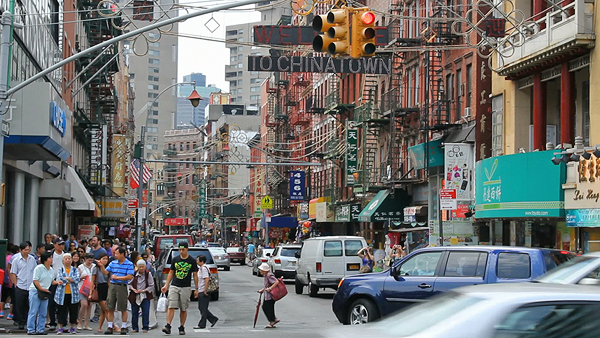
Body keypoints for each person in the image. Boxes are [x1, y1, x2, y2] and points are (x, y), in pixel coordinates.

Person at [160, 241, 198, 335]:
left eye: (183, 249)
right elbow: (171, 272)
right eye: (180, 249)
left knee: (183, 308)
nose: (181, 251)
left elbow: (195, 275)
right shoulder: (175, 259)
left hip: (186, 286)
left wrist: (196, 288)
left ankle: (182, 326)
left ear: (187, 249)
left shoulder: (192, 261)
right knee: (171, 305)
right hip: (174, 285)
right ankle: (168, 325)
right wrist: (166, 285)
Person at [99, 247, 134, 335]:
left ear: (122, 254)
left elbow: (130, 276)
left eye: (117, 253)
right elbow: (105, 272)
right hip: (112, 286)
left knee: (122, 307)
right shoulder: (113, 263)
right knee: (110, 306)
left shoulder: (129, 264)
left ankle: (123, 326)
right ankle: (110, 326)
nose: (115, 255)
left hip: (122, 286)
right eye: (114, 253)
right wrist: (101, 266)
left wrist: (118, 277)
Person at [27, 252, 62, 335]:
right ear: (45, 259)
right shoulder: (39, 268)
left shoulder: (51, 269)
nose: (51, 260)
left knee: (43, 312)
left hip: (45, 292)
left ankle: (40, 329)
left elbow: (51, 281)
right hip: (36, 291)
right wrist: (41, 289)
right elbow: (35, 280)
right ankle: (31, 329)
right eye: (50, 258)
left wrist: (57, 282)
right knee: (33, 311)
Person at [10, 242, 38, 330]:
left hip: (30, 285)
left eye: (28, 250)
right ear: (21, 250)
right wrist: (16, 284)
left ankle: (29, 322)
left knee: (29, 305)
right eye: (25, 250)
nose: (27, 251)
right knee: (19, 305)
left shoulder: (32, 259)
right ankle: (20, 322)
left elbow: (35, 271)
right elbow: (13, 273)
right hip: (20, 285)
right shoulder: (16, 260)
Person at [54, 253, 81, 334]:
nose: (67, 260)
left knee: (73, 311)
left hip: (73, 294)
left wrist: (68, 279)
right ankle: (60, 327)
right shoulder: (60, 270)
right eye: (66, 259)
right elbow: (60, 279)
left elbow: (76, 279)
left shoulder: (75, 269)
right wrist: (69, 280)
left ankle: (72, 327)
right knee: (61, 311)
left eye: (69, 258)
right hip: (62, 294)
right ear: (63, 261)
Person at [128, 260, 154, 333]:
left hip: (145, 295)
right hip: (135, 295)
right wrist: (133, 289)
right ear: (137, 267)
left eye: (143, 267)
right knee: (134, 312)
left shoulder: (148, 274)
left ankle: (145, 327)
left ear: (145, 267)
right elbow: (129, 284)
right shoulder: (134, 274)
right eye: (140, 267)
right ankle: (135, 328)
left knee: (145, 311)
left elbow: (151, 285)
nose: (141, 268)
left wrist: (143, 290)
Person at [193, 255, 218, 330]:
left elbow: (206, 279)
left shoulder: (203, 268)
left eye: (198, 260)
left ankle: (202, 324)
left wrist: (205, 289)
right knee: (202, 308)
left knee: (203, 308)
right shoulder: (202, 268)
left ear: (202, 261)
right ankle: (213, 319)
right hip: (201, 289)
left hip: (203, 290)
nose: (196, 261)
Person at [48, 237, 66, 331]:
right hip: (52, 280)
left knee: (62, 302)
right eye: (59, 244)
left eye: (62, 244)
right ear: (54, 245)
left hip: (63, 280)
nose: (61, 246)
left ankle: (62, 321)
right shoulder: (50, 254)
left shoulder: (66, 255)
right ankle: (52, 322)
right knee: (51, 302)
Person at [257, 263, 280, 329]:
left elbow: (276, 282)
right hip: (267, 295)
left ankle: (272, 321)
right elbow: (267, 285)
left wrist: (270, 288)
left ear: (265, 270)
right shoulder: (266, 275)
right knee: (266, 307)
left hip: (270, 295)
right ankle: (273, 319)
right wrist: (263, 289)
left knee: (268, 308)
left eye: (261, 270)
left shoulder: (269, 275)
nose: (260, 271)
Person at [91, 253, 110, 333]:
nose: (105, 260)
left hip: (107, 288)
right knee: (106, 309)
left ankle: (99, 327)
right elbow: (92, 281)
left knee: (103, 310)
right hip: (99, 288)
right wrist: (90, 292)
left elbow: (109, 279)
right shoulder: (96, 268)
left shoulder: (109, 268)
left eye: (106, 259)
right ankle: (112, 325)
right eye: (103, 259)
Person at [77, 254, 96, 331]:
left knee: (89, 305)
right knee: (84, 304)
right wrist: (82, 277)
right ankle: (80, 322)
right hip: (82, 288)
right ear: (84, 259)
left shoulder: (94, 266)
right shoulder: (80, 267)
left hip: (91, 288)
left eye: (91, 260)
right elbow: (77, 278)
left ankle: (86, 324)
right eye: (88, 260)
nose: (90, 262)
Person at [1, 244, 17, 319]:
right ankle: (10, 314)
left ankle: (1, 311)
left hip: (4, 279)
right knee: (13, 299)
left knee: (3, 297)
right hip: (12, 281)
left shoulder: (6, 258)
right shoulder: (15, 258)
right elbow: (10, 269)